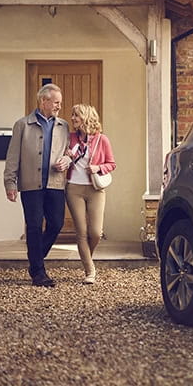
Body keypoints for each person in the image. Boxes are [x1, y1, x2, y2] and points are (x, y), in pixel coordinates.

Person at [3, 83, 71, 287]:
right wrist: (10, 182)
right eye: (56, 102)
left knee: (56, 224)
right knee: (33, 226)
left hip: (55, 184)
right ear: (44, 101)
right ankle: (39, 273)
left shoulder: (64, 126)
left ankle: (35, 262)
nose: (59, 106)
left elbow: (69, 151)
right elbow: (12, 156)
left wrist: (68, 160)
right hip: (31, 185)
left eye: (60, 102)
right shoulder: (22, 125)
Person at [65, 104, 116, 284]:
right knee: (81, 232)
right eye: (72, 115)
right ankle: (90, 270)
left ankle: (87, 257)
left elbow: (112, 164)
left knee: (95, 233)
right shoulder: (70, 138)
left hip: (95, 189)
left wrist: (98, 167)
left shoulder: (102, 140)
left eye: (76, 115)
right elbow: (62, 157)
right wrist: (66, 157)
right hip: (74, 189)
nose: (72, 118)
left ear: (86, 117)